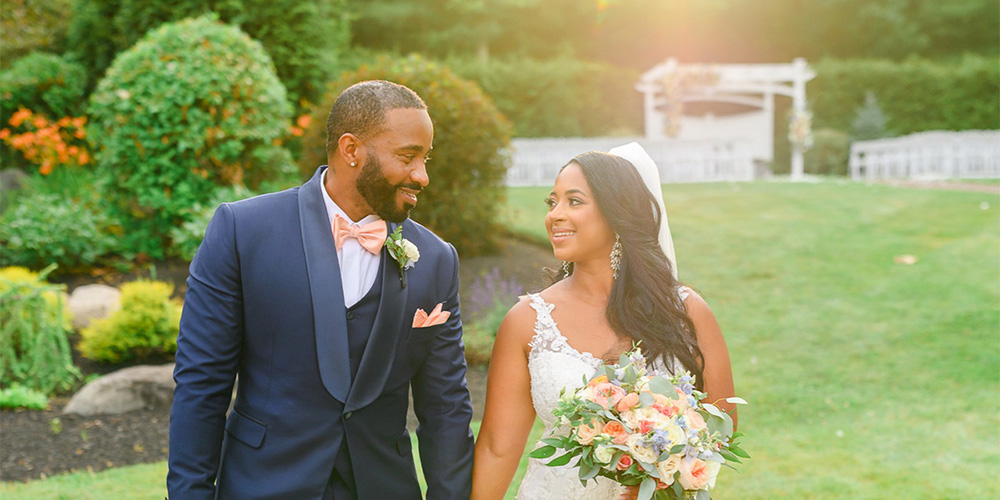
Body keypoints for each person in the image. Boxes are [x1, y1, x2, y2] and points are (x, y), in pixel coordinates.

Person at [167, 80, 475, 500]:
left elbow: (445, 409)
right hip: (263, 485)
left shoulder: (437, 258)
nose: (421, 175)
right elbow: (201, 384)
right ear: (351, 150)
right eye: (408, 157)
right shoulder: (243, 231)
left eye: (425, 158)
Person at [470, 144, 736, 500]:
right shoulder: (527, 321)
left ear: (617, 214)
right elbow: (497, 449)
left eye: (574, 201)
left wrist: (659, 473)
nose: (555, 215)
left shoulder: (686, 311)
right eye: (552, 203)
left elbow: (722, 427)